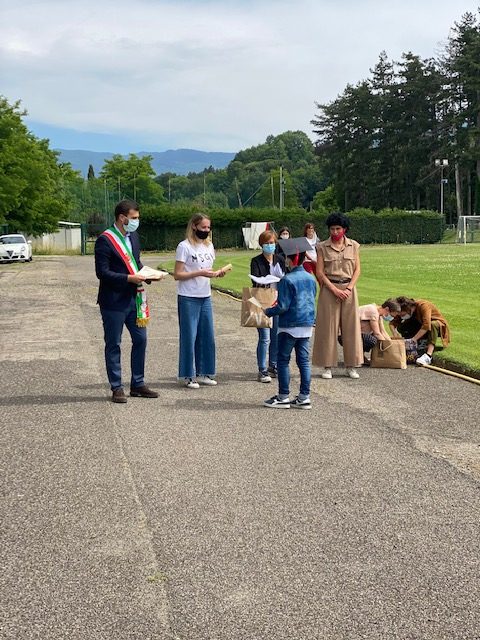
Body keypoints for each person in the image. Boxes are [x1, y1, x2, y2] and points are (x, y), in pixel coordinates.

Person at [95, 199, 158, 403]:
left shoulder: (134, 237)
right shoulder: (105, 239)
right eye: (134, 218)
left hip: (134, 299)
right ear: (122, 218)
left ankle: (138, 384)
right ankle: (116, 387)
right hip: (113, 301)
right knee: (113, 343)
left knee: (141, 339)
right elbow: (102, 273)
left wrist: (148, 275)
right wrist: (128, 278)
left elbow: (136, 263)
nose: (136, 221)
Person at [263, 237, 317, 409]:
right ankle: (304, 396)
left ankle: (283, 395)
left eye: (286, 257)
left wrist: (268, 311)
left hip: (290, 325)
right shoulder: (310, 278)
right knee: (303, 361)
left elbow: (283, 306)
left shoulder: (286, 280)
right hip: (306, 324)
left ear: (290, 259)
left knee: (283, 360)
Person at [174, 213, 225, 388]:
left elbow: (208, 269)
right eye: (203, 227)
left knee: (207, 335)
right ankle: (188, 375)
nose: (206, 230)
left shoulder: (209, 246)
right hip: (188, 296)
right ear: (194, 226)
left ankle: (204, 372)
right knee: (190, 336)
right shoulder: (184, 246)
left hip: (205, 295)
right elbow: (178, 274)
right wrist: (199, 273)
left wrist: (217, 273)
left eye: (208, 227)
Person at [312, 212, 363, 378]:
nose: (334, 232)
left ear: (344, 229)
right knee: (328, 327)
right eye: (332, 229)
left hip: (349, 287)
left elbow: (357, 270)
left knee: (351, 327)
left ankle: (351, 365)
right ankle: (327, 366)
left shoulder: (354, 246)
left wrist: (349, 288)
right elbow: (319, 272)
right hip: (329, 288)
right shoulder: (321, 247)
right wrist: (333, 289)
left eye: (338, 229)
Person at [250, 230, 285, 382]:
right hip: (262, 299)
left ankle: (273, 364)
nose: (270, 246)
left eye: (272, 243)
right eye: (267, 243)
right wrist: (266, 279)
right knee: (264, 337)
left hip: (277, 300)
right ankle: (262, 369)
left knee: (275, 336)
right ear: (262, 245)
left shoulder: (280, 259)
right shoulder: (256, 261)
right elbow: (255, 281)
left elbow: (286, 277)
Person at [392, 296, 451, 366]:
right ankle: (414, 345)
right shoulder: (406, 310)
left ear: (409, 309)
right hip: (421, 324)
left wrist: (413, 340)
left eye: (403, 315)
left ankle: (428, 356)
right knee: (402, 326)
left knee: (433, 324)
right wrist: (395, 334)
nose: (402, 317)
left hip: (436, 326)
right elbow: (392, 323)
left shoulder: (424, 306)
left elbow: (426, 325)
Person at [341, 299, 401, 364]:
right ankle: (356, 356)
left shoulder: (378, 313)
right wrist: (388, 348)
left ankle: (360, 357)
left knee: (372, 337)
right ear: (386, 309)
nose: (391, 318)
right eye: (391, 315)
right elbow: (377, 333)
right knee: (372, 340)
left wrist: (390, 343)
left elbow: (383, 332)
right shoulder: (373, 312)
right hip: (346, 335)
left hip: (350, 334)